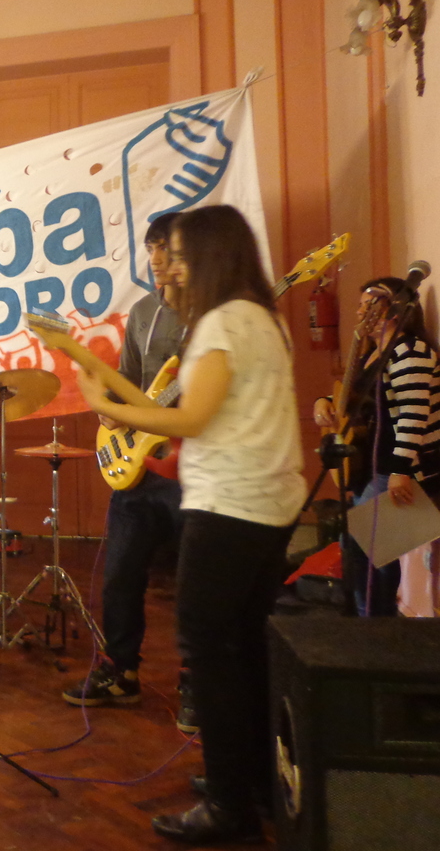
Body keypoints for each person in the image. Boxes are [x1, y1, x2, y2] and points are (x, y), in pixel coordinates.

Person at [77, 205, 305, 844]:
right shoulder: (262, 318)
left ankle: (230, 806)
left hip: (228, 507)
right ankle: (252, 781)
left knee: (209, 652)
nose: (169, 267)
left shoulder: (222, 323)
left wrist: (98, 400)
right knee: (245, 649)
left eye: (178, 255)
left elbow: (190, 418)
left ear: (209, 256)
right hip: (267, 505)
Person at [62, 213, 190, 728]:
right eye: (151, 247)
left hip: (187, 465)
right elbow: (131, 380)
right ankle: (121, 671)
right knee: (119, 573)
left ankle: (194, 683)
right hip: (137, 465)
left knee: (191, 582)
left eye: (165, 248)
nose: (155, 258)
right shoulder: (142, 312)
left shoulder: (210, 316)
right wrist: (110, 410)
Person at [313, 276, 440, 617]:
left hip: (399, 468)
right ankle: (373, 621)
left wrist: (400, 471)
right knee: (369, 552)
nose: (359, 313)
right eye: (360, 307)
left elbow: (413, 414)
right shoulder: (374, 355)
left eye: (368, 306)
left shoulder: (410, 352)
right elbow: (357, 398)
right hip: (369, 466)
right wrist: (324, 401)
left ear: (394, 311)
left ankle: (375, 626)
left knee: (366, 549)